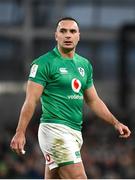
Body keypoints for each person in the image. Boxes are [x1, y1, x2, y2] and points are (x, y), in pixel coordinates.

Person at [10, 17, 131, 179]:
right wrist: (20, 132)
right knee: (78, 177)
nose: (68, 35)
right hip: (55, 130)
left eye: (72, 31)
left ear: (78, 36)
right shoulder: (43, 63)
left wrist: (115, 122)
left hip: (75, 132)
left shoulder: (84, 65)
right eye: (63, 31)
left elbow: (93, 100)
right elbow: (30, 100)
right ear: (56, 35)